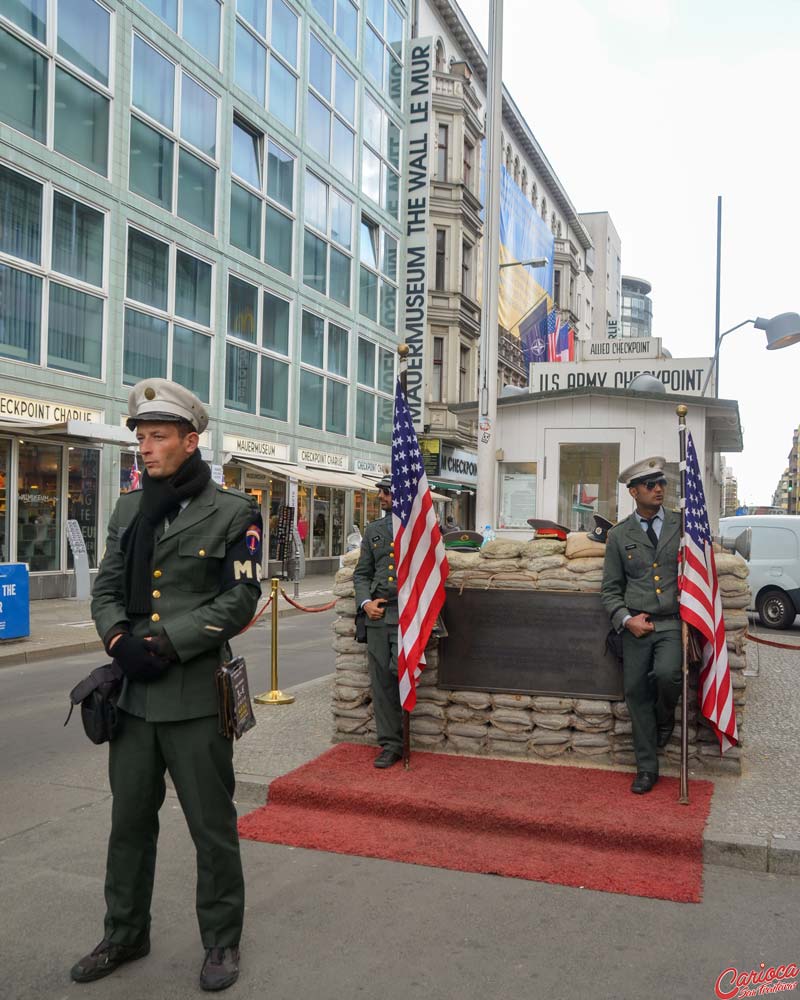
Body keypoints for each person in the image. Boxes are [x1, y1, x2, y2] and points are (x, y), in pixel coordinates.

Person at [71, 379, 262, 991]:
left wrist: (169, 640)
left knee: (211, 825)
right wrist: (117, 641)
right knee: (128, 823)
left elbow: (242, 597)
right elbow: (105, 590)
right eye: (141, 439)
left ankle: (222, 941)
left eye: (157, 438)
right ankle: (125, 933)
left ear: (190, 440)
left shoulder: (234, 511)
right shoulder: (129, 509)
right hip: (133, 695)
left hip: (195, 697)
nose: (146, 449)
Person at [601, 457, 682, 795]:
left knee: (667, 675)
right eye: (650, 485)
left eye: (661, 483)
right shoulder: (620, 535)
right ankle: (647, 768)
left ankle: (665, 718)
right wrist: (625, 619)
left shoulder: (682, 526)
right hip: (637, 624)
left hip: (671, 623)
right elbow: (610, 589)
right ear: (634, 492)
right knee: (636, 694)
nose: (659, 489)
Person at [353, 475, 402, 769]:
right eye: (381, 492)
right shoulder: (373, 530)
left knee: (402, 672)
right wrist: (365, 603)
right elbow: (362, 574)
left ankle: (407, 733)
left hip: (408, 614)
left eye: (385, 492)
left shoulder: (419, 528)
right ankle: (391, 744)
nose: (381, 497)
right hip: (380, 615)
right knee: (382, 681)